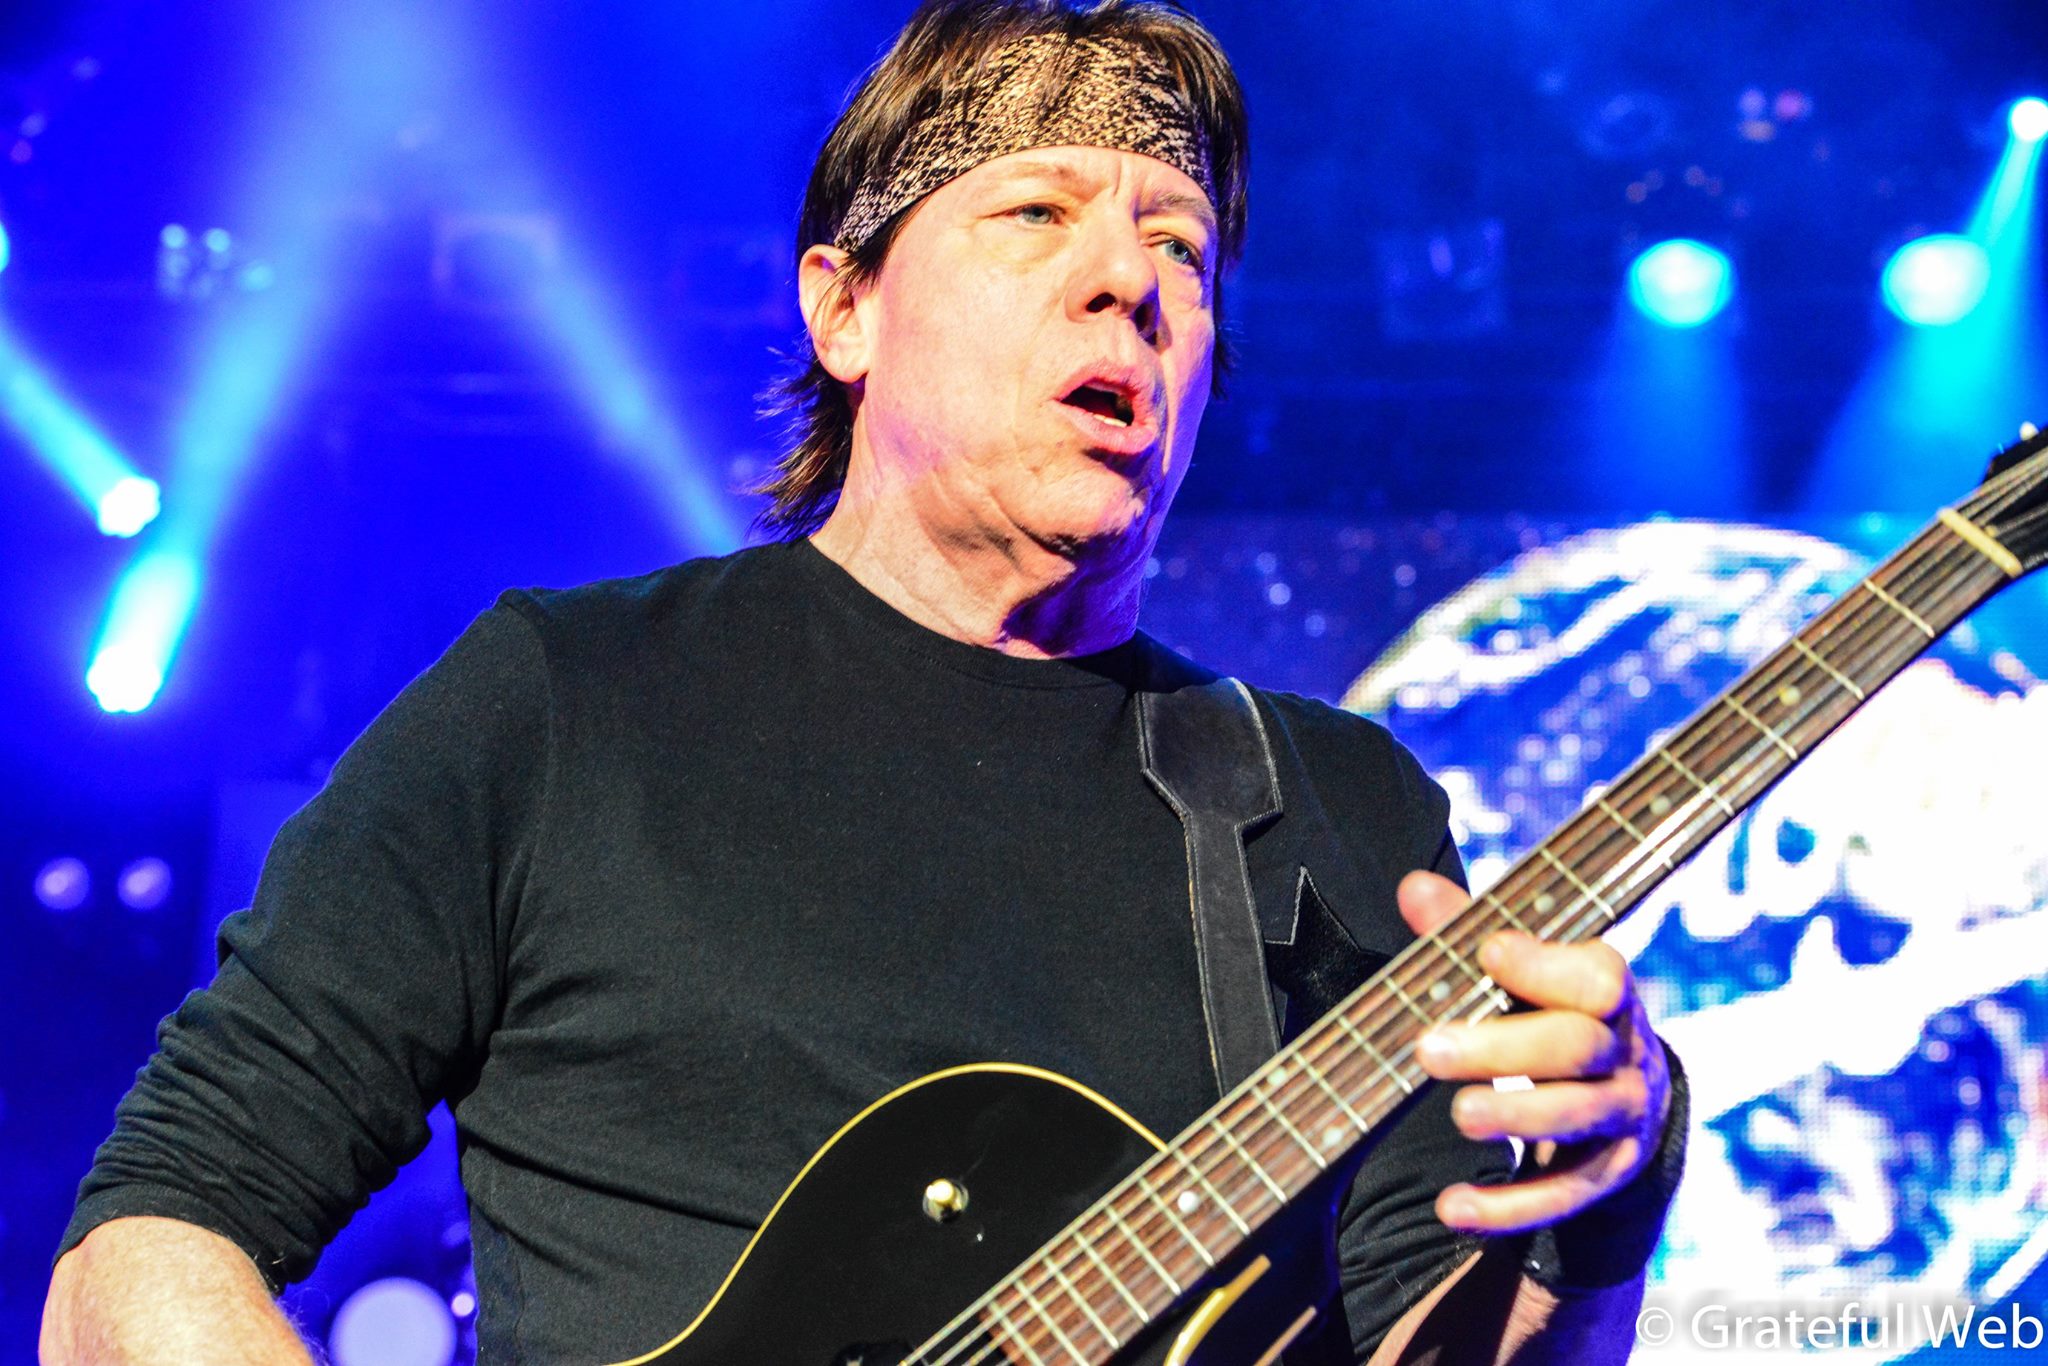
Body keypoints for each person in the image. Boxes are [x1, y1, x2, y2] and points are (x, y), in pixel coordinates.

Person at [41, 2, 1685, 1362]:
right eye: (1035, 213)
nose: (1128, 280)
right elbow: (146, 1245)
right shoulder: (560, 702)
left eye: (1177, 244)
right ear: (844, 307)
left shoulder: (1336, 807)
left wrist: (1607, 1205)